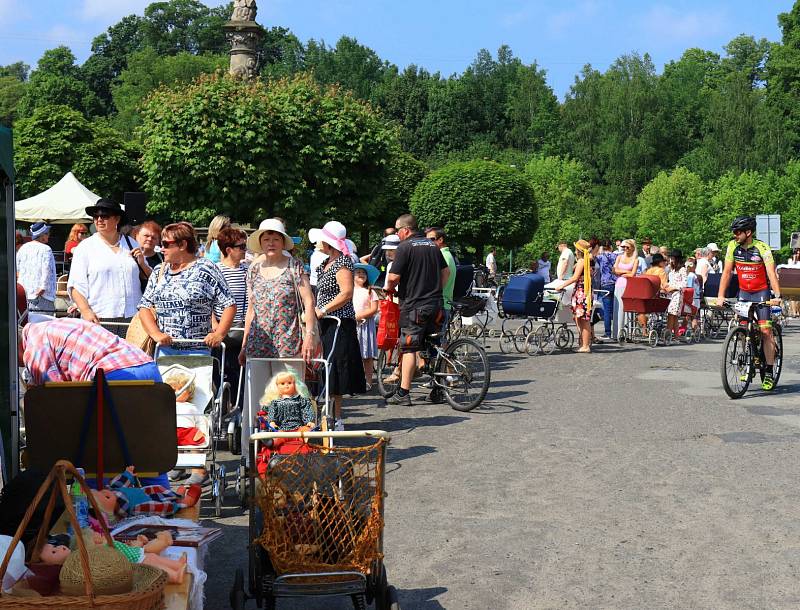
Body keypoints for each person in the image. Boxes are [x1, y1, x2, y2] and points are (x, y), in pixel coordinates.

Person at [138, 221, 235, 354]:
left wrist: (219, 334)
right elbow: (144, 307)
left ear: (183, 244)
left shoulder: (206, 268)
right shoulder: (159, 270)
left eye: (166, 244)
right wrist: (156, 334)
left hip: (198, 352)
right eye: (161, 243)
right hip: (164, 352)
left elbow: (229, 304)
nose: (161, 248)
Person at [385, 214, 448, 406]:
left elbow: (394, 277)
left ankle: (404, 393)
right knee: (434, 345)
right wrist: (438, 291)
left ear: (405, 230)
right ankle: (438, 388)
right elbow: (446, 272)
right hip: (436, 304)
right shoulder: (432, 246)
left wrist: (389, 288)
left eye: (397, 231)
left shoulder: (404, 247)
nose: (397, 234)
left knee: (409, 348)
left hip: (414, 306)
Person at [309, 220, 366, 427]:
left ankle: (337, 417)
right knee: (323, 368)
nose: (317, 243)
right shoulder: (325, 263)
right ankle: (324, 416)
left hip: (339, 322)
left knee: (337, 368)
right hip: (324, 321)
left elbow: (346, 293)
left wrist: (322, 310)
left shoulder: (343, 262)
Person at [716, 216, 782, 391]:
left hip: (761, 293)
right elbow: (727, 273)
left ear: (748, 232)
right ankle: (748, 364)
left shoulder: (762, 248)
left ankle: (768, 371)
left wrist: (777, 295)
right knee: (742, 330)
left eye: (738, 232)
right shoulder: (732, 246)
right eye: (734, 232)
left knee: (766, 330)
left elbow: (771, 273)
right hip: (744, 293)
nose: (735, 235)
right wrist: (720, 296)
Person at [239, 218, 317, 366]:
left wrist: (309, 335)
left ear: (283, 242)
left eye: (275, 239)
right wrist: (244, 344)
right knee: (258, 390)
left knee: (289, 388)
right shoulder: (253, 270)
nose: (271, 243)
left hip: (288, 344)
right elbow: (251, 310)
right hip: (257, 344)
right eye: (267, 239)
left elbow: (309, 301)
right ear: (261, 243)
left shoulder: (294, 267)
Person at [68, 199, 148, 336]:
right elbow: (75, 285)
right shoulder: (85, 247)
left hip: (132, 316)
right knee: (100, 357)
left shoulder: (131, 244)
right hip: (99, 316)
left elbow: (148, 278)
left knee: (129, 357)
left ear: (117, 219)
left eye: (104, 216)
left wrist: (142, 264)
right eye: (95, 216)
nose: (99, 219)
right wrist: (86, 311)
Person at [214, 227, 249, 400]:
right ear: (229, 250)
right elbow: (209, 302)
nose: (245, 250)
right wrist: (216, 328)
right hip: (220, 332)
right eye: (241, 247)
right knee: (222, 373)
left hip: (242, 330)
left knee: (241, 376)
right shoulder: (215, 270)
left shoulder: (247, 270)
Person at [559, 239, 593, 353]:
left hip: (581, 291)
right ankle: (583, 343)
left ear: (579, 250)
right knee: (580, 318)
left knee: (583, 319)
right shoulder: (585, 261)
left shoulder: (582, 261)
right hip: (583, 290)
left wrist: (561, 285)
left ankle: (585, 345)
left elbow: (574, 277)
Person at [16, 222, 56, 313]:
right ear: (41, 235)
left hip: (24, 296)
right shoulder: (46, 249)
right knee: (45, 325)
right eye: (47, 233)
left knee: (27, 325)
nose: (48, 235)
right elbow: (47, 270)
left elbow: (17, 271)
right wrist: (42, 288)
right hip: (42, 296)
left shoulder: (22, 248)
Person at [425, 227, 457, 329]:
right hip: (445, 304)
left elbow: (444, 275)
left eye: (431, 240)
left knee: (439, 341)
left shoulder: (442, 256)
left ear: (440, 240)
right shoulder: (447, 255)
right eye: (426, 240)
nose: (428, 243)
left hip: (440, 305)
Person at [353, 265, 379, 390]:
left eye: (363, 272)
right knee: (353, 354)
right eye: (358, 272)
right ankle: (354, 381)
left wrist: (359, 316)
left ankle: (368, 381)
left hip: (366, 326)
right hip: (351, 326)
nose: (361, 274)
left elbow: (374, 309)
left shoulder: (370, 291)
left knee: (367, 355)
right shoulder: (349, 291)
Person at [595, 239, 618, 339]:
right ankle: (617, 331)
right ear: (611, 246)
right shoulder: (616, 256)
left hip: (605, 283)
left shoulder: (600, 257)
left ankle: (608, 332)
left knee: (607, 310)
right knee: (616, 309)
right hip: (616, 282)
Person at [665, 250, 688, 337]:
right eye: (671, 258)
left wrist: (674, 288)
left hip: (677, 295)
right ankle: (676, 335)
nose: (671, 260)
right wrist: (667, 286)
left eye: (673, 258)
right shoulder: (672, 270)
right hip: (670, 294)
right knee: (673, 316)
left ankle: (668, 334)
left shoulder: (682, 270)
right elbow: (670, 281)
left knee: (672, 314)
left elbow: (684, 284)